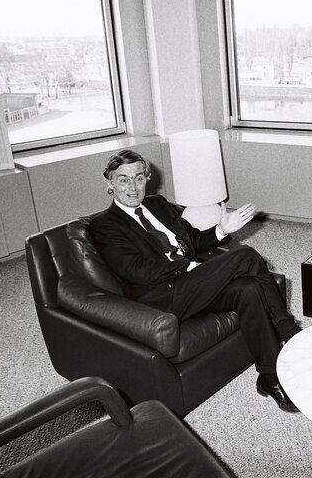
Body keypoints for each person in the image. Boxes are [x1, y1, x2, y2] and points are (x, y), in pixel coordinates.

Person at [90, 150, 301, 412]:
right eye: (123, 180)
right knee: (245, 256)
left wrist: (222, 229)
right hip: (159, 299)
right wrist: (189, 266)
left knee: (248, 288)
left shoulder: (157, 204)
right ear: (109, 183)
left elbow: (192, 241)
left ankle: (269, 376)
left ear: (147, 178)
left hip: (189, 286)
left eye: (139, 178)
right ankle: (290, 333)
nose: (133, 187)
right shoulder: (104, 225)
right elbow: (137, 271)